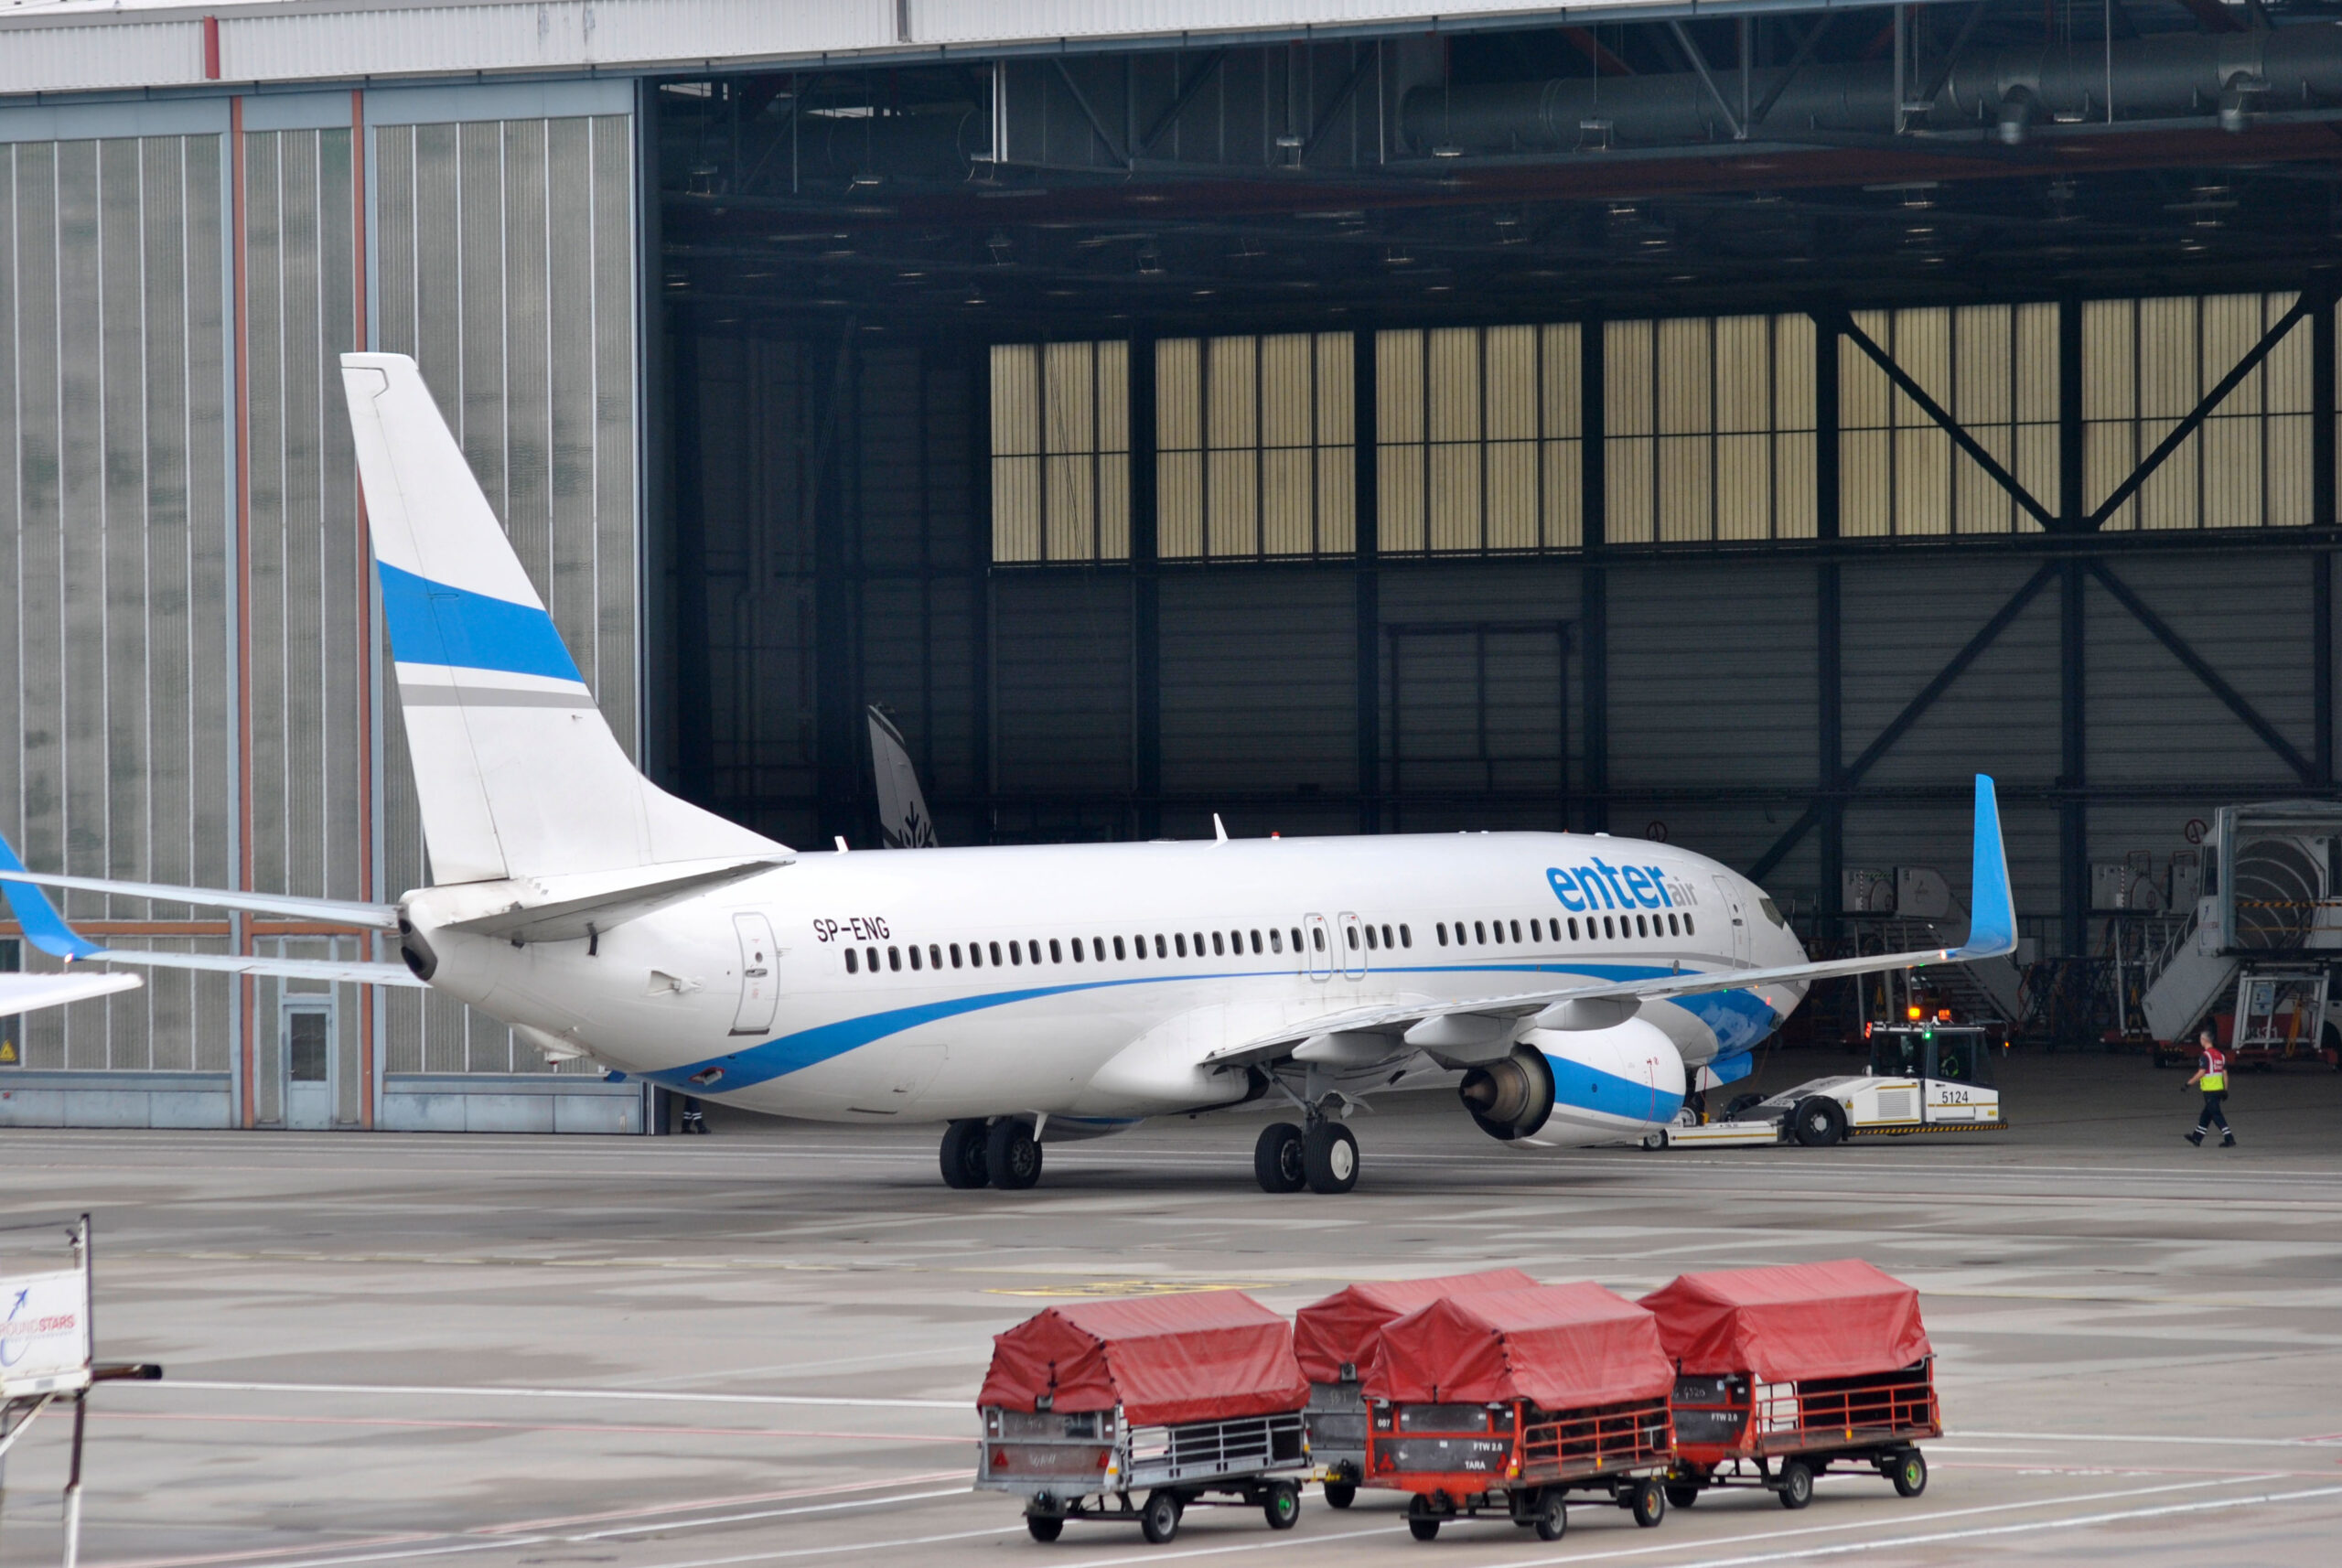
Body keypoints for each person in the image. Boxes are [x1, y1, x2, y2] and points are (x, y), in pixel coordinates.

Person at [2185, 1027, 2234, 1147]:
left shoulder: (2205, 1056)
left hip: (2210, 1090)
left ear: (2204, 1040)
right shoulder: (2221, 1055)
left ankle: (2229, 1138)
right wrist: (2225, 1090)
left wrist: (2188, 1084)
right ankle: (2197, 1138)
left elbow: (2201, 1073)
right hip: (2219, 1089)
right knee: (2206, 1114)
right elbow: (2225, 1074)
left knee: (2216, 1114)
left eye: (2201, 1038)